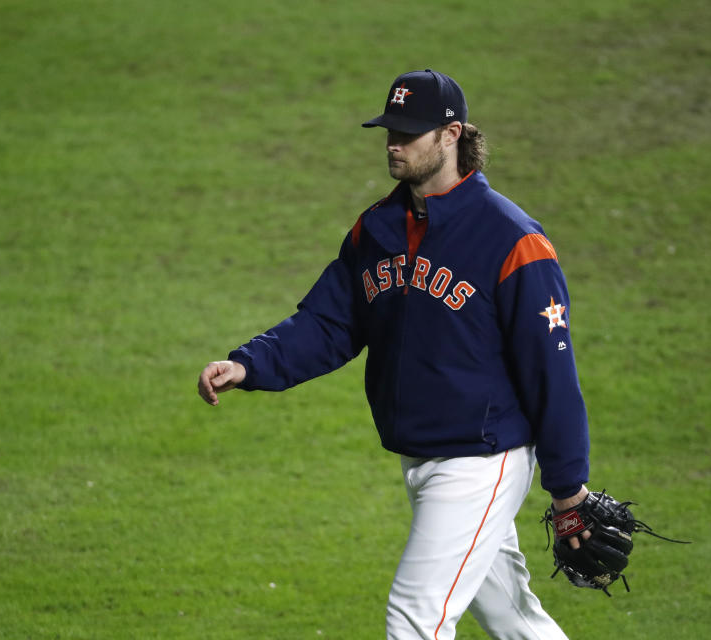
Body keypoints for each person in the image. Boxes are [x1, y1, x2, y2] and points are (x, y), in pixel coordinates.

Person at [198, 69, 592, 640]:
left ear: (451, 135)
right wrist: (250, 363)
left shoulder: (511, 240)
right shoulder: (377, 229)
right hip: (421, 457)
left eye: (409, 132)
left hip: (481, 461)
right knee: (510, 616)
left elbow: (550, 369)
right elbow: (331, 321)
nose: (394, 142)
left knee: (414, 616)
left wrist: (568, 486)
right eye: (390, 129)